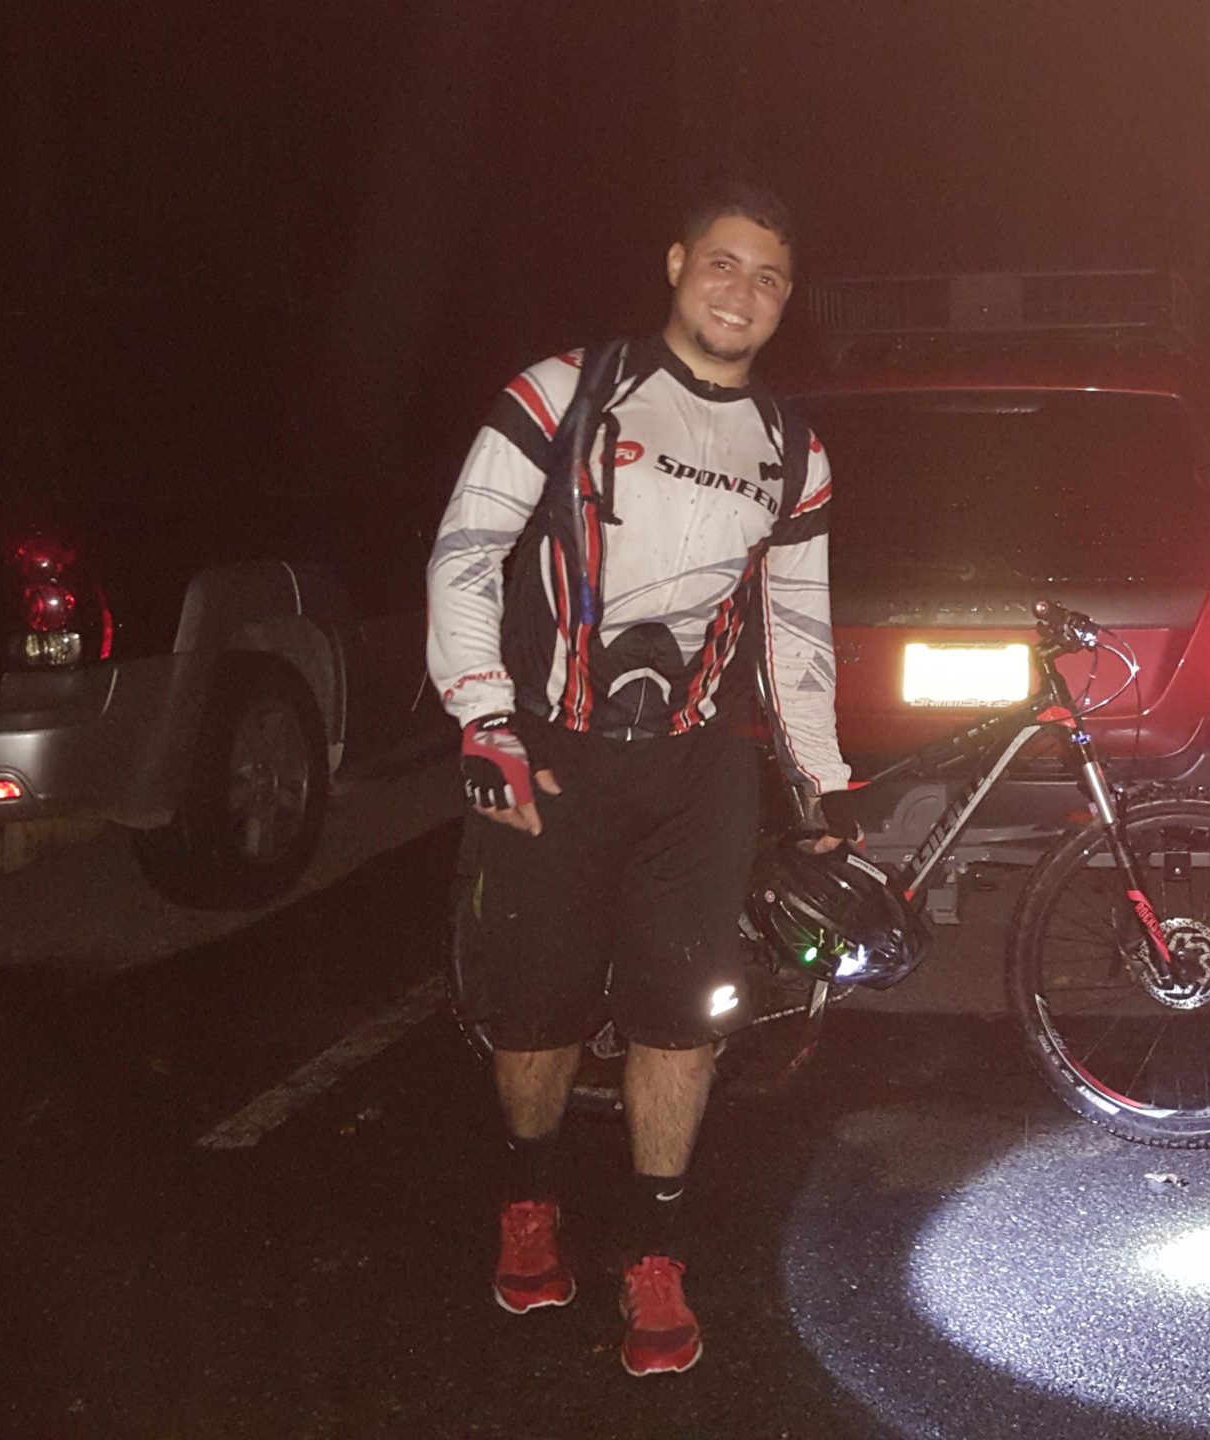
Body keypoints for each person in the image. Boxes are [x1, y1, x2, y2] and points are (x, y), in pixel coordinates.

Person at [424, 181, 851, 1377]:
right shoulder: (562, 391)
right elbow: (466, 553)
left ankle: (655, 1255)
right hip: (547, 758)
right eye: (724, 264)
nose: (744, 293)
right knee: (536, 1008)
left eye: (769, 278)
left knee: (681, 1017)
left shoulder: (794, 449)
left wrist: (820, 787)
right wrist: (483, 721)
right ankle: (530, 1198)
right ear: (675, 264)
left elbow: (798, 628)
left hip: (697, 771)